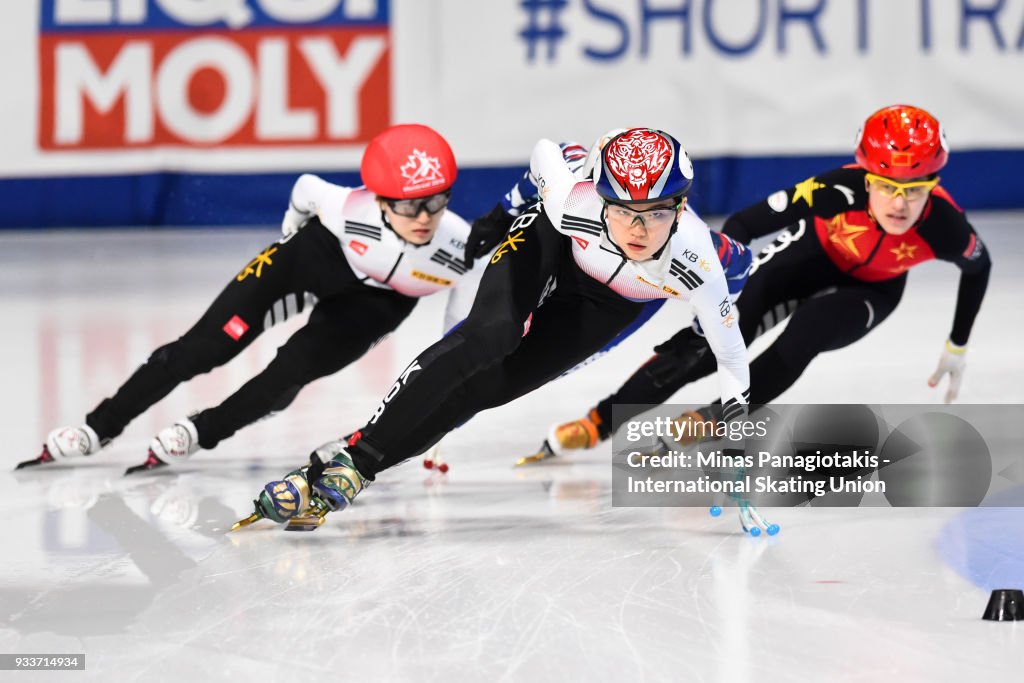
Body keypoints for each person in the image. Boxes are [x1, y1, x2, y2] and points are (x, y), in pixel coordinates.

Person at [234, 127, 773, 534]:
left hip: (612, 302)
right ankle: (360, 454)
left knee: (489, 389)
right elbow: (546, 152)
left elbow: (731, 362)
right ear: (600, 198)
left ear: (681, 207)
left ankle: (358, 462)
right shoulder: (573, 203)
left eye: (655, 213)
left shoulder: (700, 261)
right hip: (552, 244)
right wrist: (515, 203)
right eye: (623, 210)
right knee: (491, 334)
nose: (636, 228)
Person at [18, 124, 490, 474]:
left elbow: (458, 330)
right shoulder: (347, 208)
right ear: (381, 200)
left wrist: (440, 406)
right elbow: (306, 189)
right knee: (202, 349)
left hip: (378, 304)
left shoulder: (458, 250)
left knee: (287, 377)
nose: (424, 217)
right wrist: (288, 242)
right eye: (409, 205)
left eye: (436, 201)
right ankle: (98, 428)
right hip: (316, 258)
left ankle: (202, 432)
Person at [530, 104, 991, 458]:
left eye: (914, 190)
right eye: (886, 185)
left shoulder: (945, 226)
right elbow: (745, 223)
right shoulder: (835, 189)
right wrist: (718, 295)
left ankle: (714, 419)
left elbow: (979, 267)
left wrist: (958, 345)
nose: (899, 204)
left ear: (933, 185)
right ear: (865, 178)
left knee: (808, 331)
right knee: (705, 345)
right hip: (808, 256)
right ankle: (599, 422)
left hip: (872, 288)